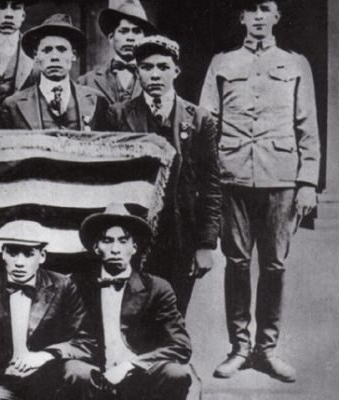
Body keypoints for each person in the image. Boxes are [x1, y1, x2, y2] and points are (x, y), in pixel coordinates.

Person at [199, 0, 319, 382]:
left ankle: (266, 350)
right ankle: (239, 348)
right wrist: (208, 181)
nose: (259, 16)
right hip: (231, 177)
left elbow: (308, 127)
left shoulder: (296, 64)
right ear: (242, 18)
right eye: (251, 9)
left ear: (277, 16)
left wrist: (307, 183)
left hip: (281, 178)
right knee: (235, 264)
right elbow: (206, 123)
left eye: (266, 8)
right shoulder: (222, 63)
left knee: (274, 265)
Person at [102, 35, 221, 315]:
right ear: (137, 71)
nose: (155, 74)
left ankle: (172, 358)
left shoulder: (200, 119)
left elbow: (211, 186)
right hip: (133, 232)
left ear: (176, 71)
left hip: (182, 234)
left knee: (174, 311)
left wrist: (205, 244)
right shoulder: (117, 116)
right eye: (146, 67)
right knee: (132, 311)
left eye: (163, 67)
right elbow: (108, 180)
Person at [73, 203, 195, 400]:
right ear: (96, 247)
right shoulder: (78, 285)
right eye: (107, 241)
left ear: (134, 247)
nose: (115, 249)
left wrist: (131, 365)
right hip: (94, 376)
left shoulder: (157, 287)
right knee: (73, 373)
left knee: (176, 373)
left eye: (123, 241)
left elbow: (180, 345)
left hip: (140, 377)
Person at [0, 220, 98, 400]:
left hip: (49, 378)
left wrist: (46, 355)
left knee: (81, 372)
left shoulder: (63, 286)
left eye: (29, 254)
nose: (19, 263)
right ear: (3, 253)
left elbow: (85, 341)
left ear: (42, 256)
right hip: (3, 381)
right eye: (13, 253)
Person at [0, 14, 109, 131]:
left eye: (62, 50)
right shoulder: (13, 105)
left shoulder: (97, 100)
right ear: (36, 56)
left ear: (73, 55)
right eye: (47, 50)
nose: (54, 57)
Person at [77, 1, 156, 105]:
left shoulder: (156, 79)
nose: (130, 38)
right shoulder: (86, 81)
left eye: (136, 31)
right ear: (111, 38)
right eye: (123, 31)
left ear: (144, 39)